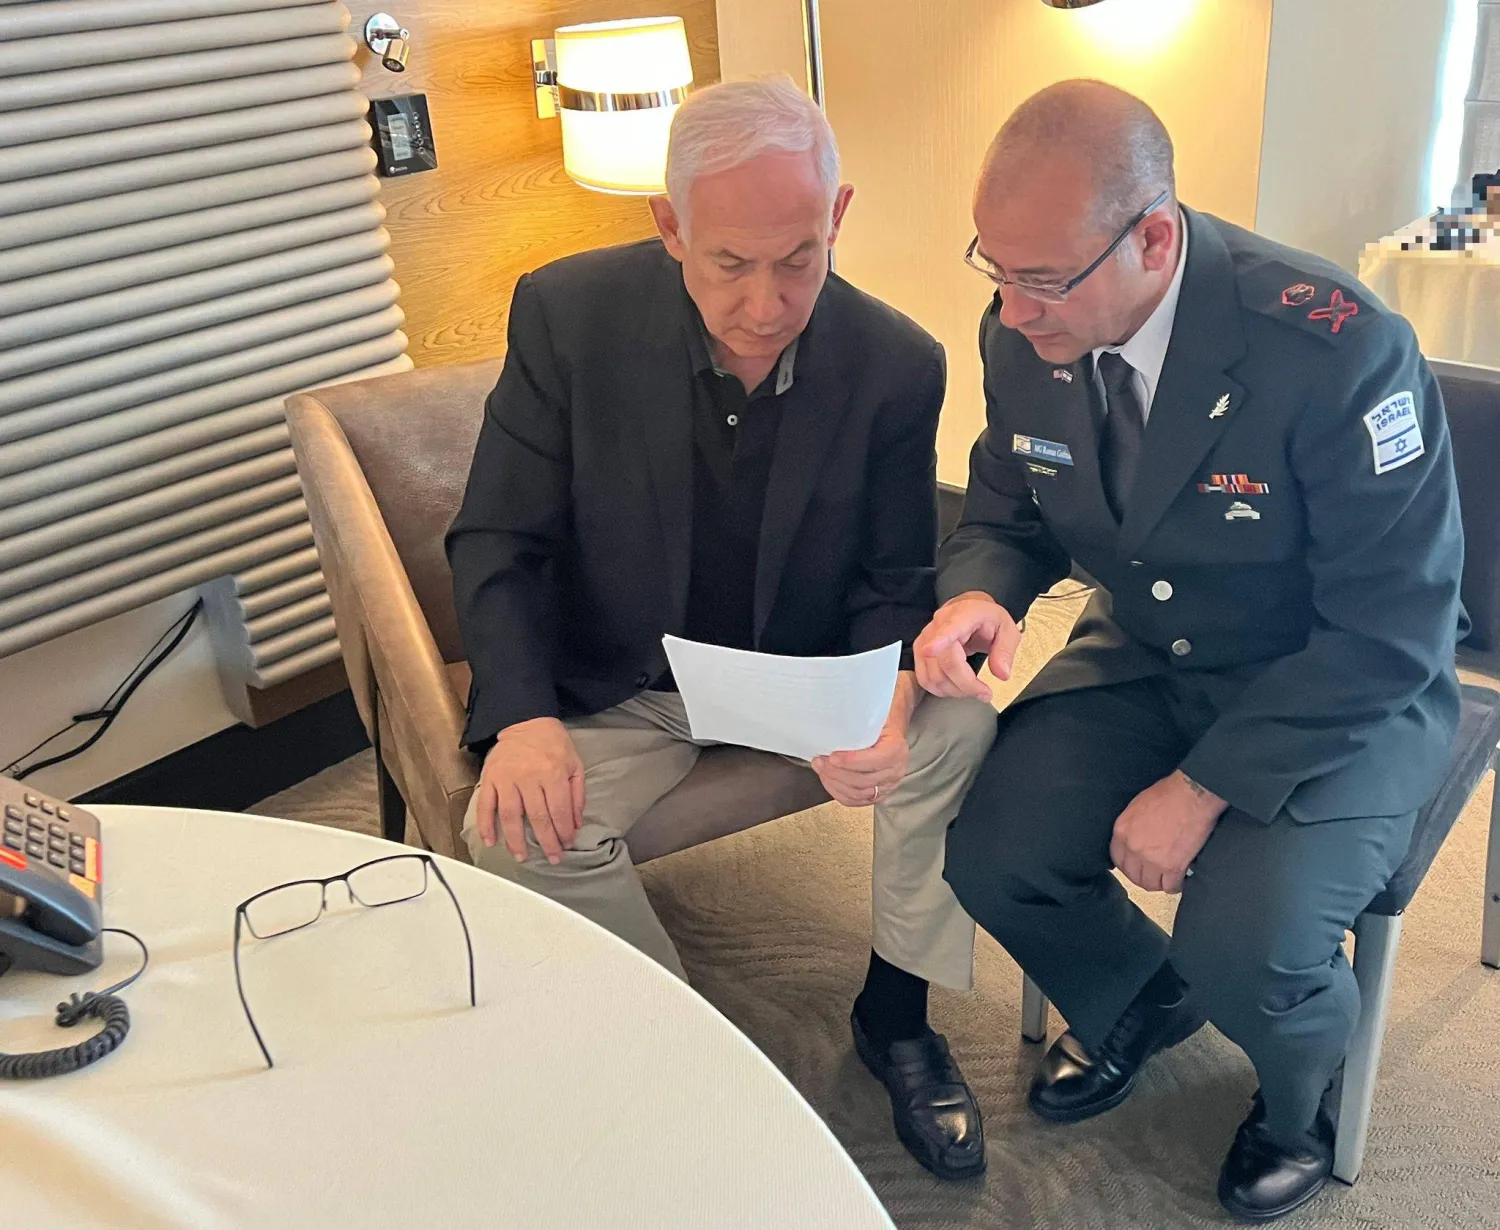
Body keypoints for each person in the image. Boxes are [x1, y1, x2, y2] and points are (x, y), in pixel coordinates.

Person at [917, 81, 1465, 1220]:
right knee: (991, 853)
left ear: (1154, 237)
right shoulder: (1029, 331)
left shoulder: (1336, 350)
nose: (1014, 310)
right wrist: (977, 599)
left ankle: (1294, 1097)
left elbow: (1393, 632)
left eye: (1044, 279)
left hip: (1339, 692)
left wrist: (1205, 783)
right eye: (995, 269)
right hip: (1153, 653)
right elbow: (1007, 513)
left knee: (1250, 942)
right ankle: (1138, 997)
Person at [446, 77, 997, 1180]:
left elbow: (895, 578)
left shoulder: (898, 363)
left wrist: (885, 709)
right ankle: (687, 1051)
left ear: (837, 215)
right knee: (511, 834)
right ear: (669, 227)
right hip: (624, 678)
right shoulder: (566, 315)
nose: (765, 301)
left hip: (798, 678)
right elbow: (498, 539)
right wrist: (519, 720)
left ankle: (896, 1016)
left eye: (799, 256)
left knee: (959, 730)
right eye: (729, 263)